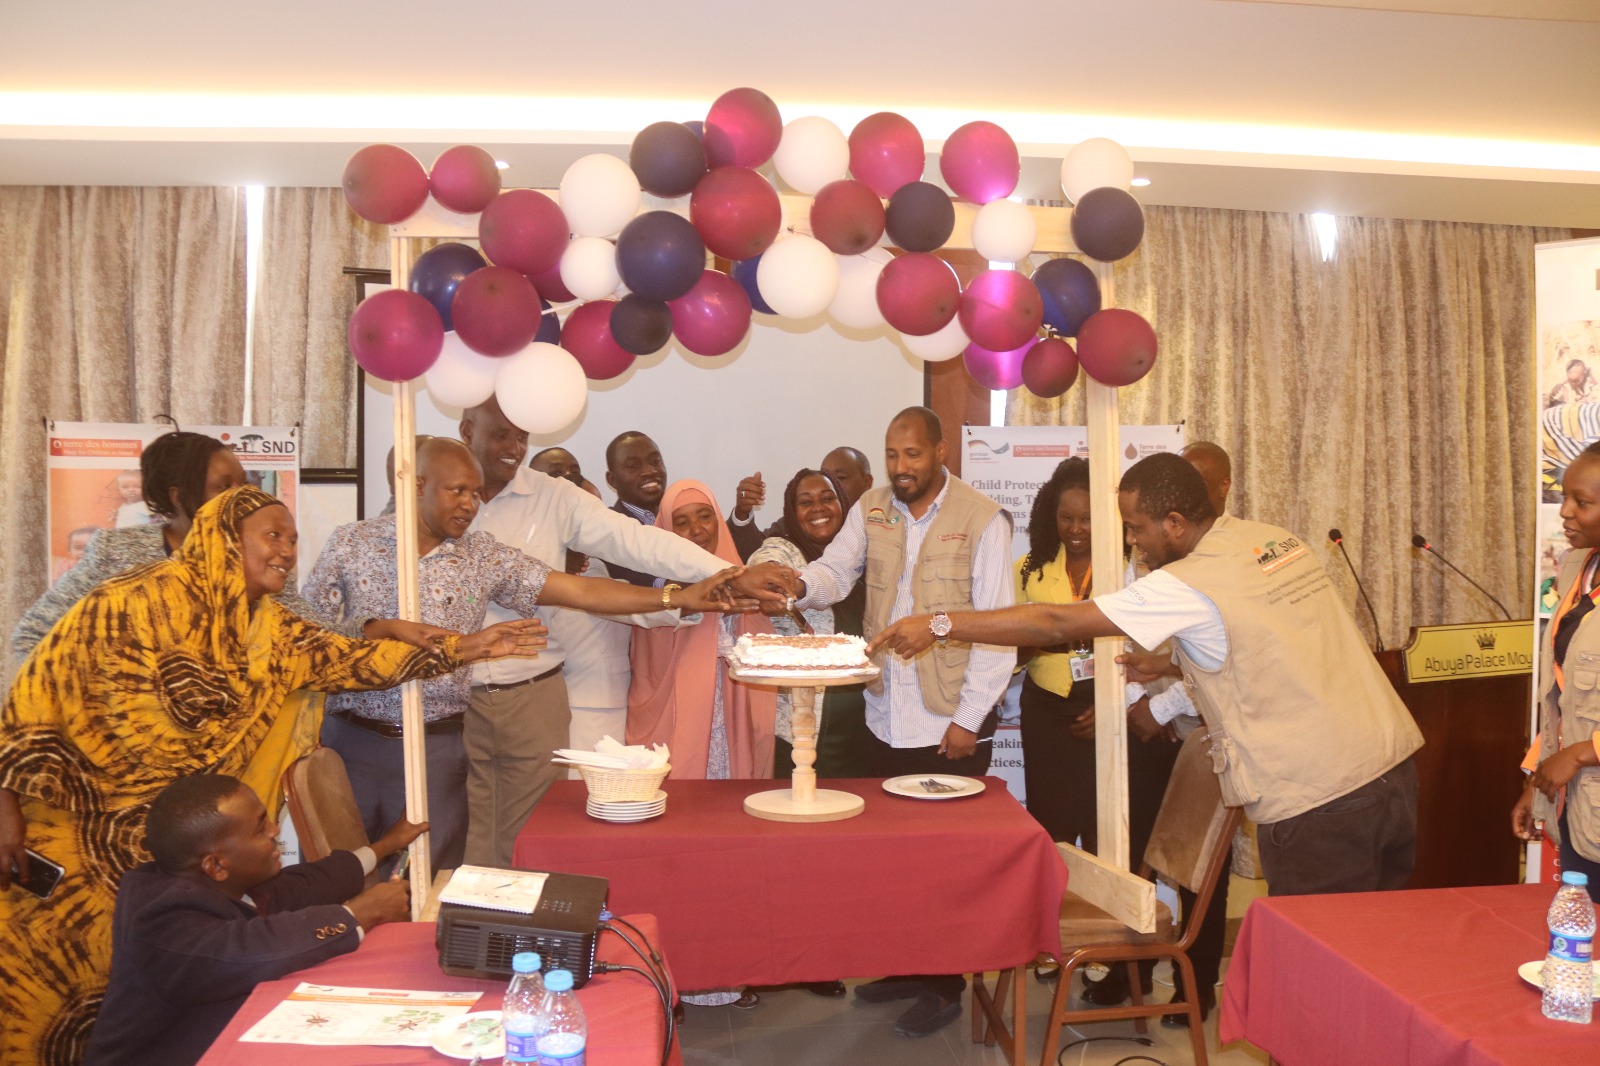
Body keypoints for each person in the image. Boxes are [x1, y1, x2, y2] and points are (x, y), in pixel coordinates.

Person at [0, 485, 531, 1066]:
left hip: (192, 851)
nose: (286, 551)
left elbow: (355, 661)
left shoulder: (273, 629)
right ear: (224, 541)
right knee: (58, 988)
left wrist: (466, 648)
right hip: (83, 838)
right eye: (272, 536)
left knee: (170, 997)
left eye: (293, 539)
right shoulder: (130, 602)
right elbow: (36, 698)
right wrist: (4, 807)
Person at [872, 452, 1424, 905]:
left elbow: (1055, 621)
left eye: (1136, 529)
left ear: (1175, 524)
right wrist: (1168, 664)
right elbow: (1269, 642)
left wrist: (940, 623)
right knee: (1371, 960)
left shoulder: (1187, 582)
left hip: (1322, 800)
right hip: (1391, 769)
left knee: (1319, 968)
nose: (1133, 543)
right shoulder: (1271, 541)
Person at [304, 439, 749, 869]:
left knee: (433, 869)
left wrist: (677, 597)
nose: (470, 505)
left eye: (476, 493)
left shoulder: (480, 556)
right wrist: (378, 630)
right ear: (417, 485)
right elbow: (303, 638)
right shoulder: (350, 544)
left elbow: (580, 590)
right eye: (457, 491)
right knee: (343, 869)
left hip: (439, 742)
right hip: (353, 740)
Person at [738, 406, 1016, 1040]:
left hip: (947, 723)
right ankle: (909, 967)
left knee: (944, 863)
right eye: (892, 455)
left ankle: (944, 985)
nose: (901, 467)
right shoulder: (873, 508)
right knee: (898, 858)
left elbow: (998, 627)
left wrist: (969, 719)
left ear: (940, 452)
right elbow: (836, 571)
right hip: (884, 714)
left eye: (912, 454)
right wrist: (795, 587)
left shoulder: (982, 519)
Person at [458, 398, 777, 867]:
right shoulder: (436, 493)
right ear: (468, 431)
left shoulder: (553, 497)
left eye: (522, 436)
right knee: (455, 832)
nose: (514, 447)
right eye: (501, 434)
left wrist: (725, 575)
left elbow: (631, 546)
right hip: (446, 696)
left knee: (532, 834)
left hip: (528, 694)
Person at [83, 774, 420, 1066]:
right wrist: (361, 913)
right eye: (260, 828)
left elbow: (307, 884)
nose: (275, 830)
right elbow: (253, 949)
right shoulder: (161, 920)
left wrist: (386, 845)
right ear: (217, 865)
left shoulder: (220, 883)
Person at [12, 431, 406, 662]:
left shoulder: (262, 561)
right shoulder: (115, 553)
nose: (242, 497)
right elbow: (33, 636)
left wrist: (380, 628)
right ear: (179, 496)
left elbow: (314, 637)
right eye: (224, 487)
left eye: (243, 484)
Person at [628, 480, 777, 780]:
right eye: (682, 523)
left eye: (705, 516)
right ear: (667, 531)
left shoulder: (740, 576)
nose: (697, 530)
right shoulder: (656, 589)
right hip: (676, 713)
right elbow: (648, 666)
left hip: (731, 710)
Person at [1515, 440, 1600, 896]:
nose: (1564, 511)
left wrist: (1582, 753)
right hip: (1581, 810)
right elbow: (1567, 696)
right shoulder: (1577, 566)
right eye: (1564, 496)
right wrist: (1539, 778)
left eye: (1581, 502)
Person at [748, 469, 873, 779]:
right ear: (793, 512)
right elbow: (766, 563)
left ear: (843, 504)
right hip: (806, 727)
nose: (818, 508)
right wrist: (771, 577)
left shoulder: (866, 554)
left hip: (868, 724)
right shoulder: (787, 548)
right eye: (805, 502)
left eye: (828, 498)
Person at [601, 430, 767, 579]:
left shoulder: (683, 503)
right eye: (633, 466)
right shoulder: (608, 530)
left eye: (655, 461)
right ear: (612, 480)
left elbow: (735, 552)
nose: (649, 471)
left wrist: (742, 512)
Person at [820, 445, 874, 509]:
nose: (831, 485)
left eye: (840, 477)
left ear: (867, 482)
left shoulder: (879, 513)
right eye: (826, 479)